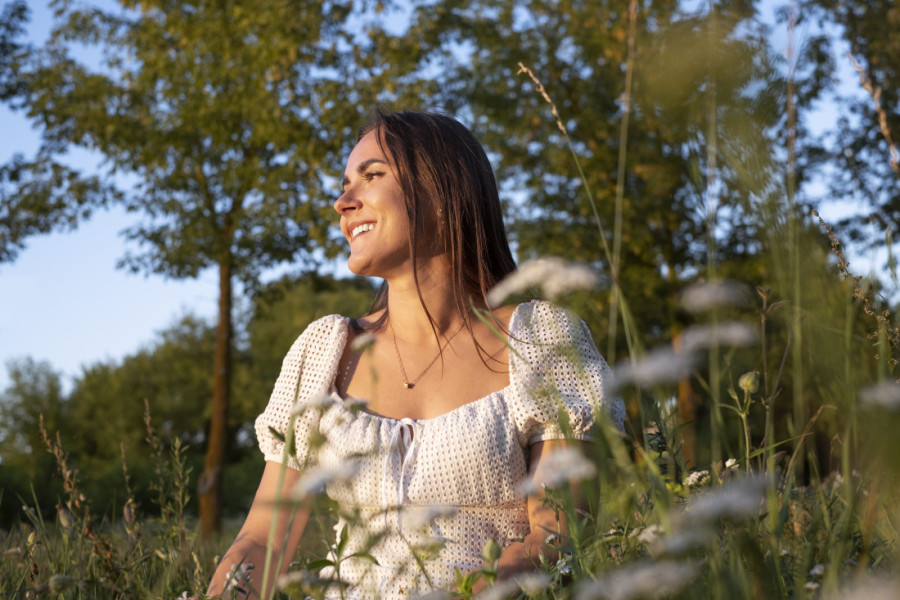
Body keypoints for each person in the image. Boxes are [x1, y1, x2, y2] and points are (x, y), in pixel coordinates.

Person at [203, 110, 624, 599]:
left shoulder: (541, 339)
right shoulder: (325, 352)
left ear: (443, 192)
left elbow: (555, 539)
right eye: (344, 184)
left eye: (372, 176)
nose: (342, 202)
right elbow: (262, 540)